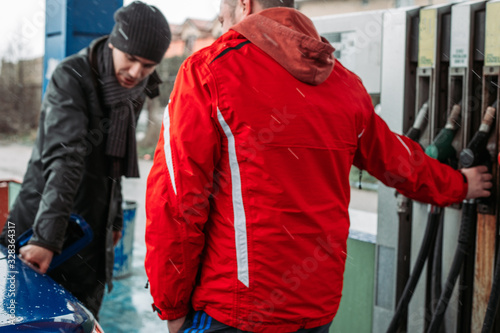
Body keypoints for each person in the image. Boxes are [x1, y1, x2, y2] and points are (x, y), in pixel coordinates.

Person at [144, 0, 492, 332]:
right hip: (316, 308)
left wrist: (171, 305)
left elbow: (176, 201)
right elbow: (399, 161)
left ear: (245, 5)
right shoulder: (345, 84)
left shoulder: (208, 71)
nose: (223, 29)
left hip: (235, 312)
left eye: (222, 18)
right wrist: (461, 184)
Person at [1, 1, 171, 318]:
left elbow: (116, 161)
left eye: (147, 66)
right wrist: (46, 239)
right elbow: (66, 159)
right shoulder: (72, 76)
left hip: (89, 233)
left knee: (81, 318)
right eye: (131, 59)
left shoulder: (131, 91)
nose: (137, 73)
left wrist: (115, 216)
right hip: (36, 227)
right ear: (114, 43)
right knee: (22, 317)